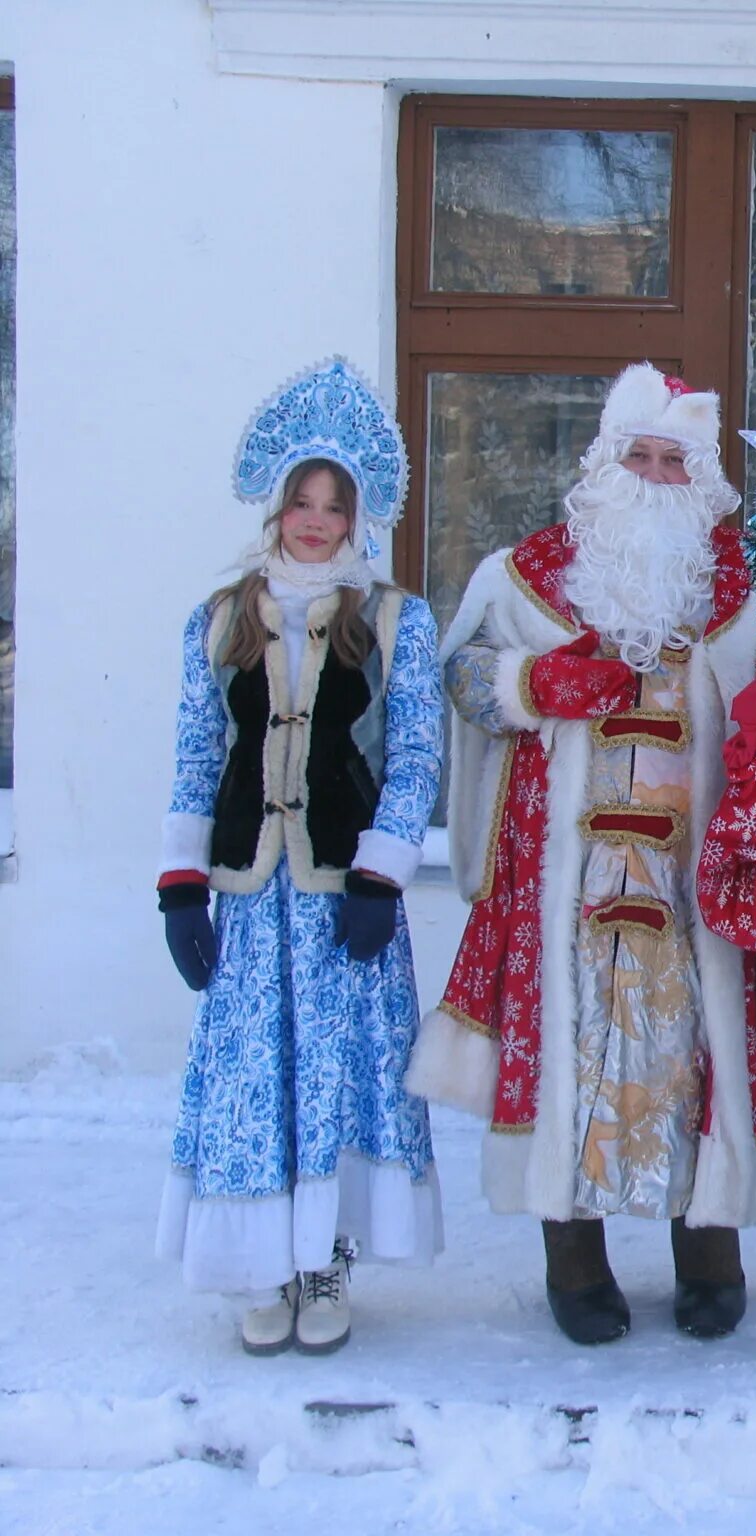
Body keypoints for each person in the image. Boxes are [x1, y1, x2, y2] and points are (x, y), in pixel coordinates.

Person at [405, 363, 756, 1346]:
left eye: (670, 460)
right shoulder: (530, 574)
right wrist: (534, 683)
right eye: (635, 455)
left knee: (696, 1064)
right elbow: (464, 678)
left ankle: (709, 1255)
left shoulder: (746, 585)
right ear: (604, 463)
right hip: (566, 884)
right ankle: (574, 1261)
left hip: (698, 890)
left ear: (702, 479)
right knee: (574, 1056)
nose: (651, 475)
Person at [156, 358, 443, 1355]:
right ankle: (260, 1262)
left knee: (333, 1071)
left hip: (339, 897)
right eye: (300, 501)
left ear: (359, 514)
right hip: (248, 896)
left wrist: (380, 874)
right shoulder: (222, 618)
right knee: (253, 1072)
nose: (315, 520)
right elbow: (198, 755)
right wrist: (180, 888)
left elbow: (414, 760)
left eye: (335, 503)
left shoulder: (396, 619)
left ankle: (325, 1258)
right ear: (276, 506)